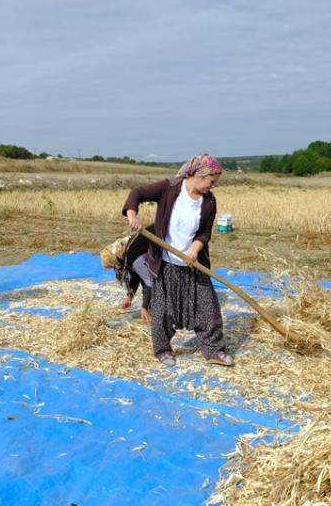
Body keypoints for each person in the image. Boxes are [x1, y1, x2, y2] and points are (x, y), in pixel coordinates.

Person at [122, 154, 234, 367]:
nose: (214, 186)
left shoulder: (209, 201)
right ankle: (163, 350)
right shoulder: (170, 188)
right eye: (212, 181)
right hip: (166, 263)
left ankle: (214, 351)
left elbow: (204, 233)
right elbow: (137, 193)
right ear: (199, 175)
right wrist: (132, 215)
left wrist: (194, 249)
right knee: (163, 310)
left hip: (194, 263)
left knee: (208, 307)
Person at [100, 225, 156, 324]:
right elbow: (136, 277)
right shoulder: (125, 250)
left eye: (114, 267)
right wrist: (129, 297)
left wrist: (144, 308)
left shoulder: (132, 254)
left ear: (116, 261)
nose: (117, 269)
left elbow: (149, 282)